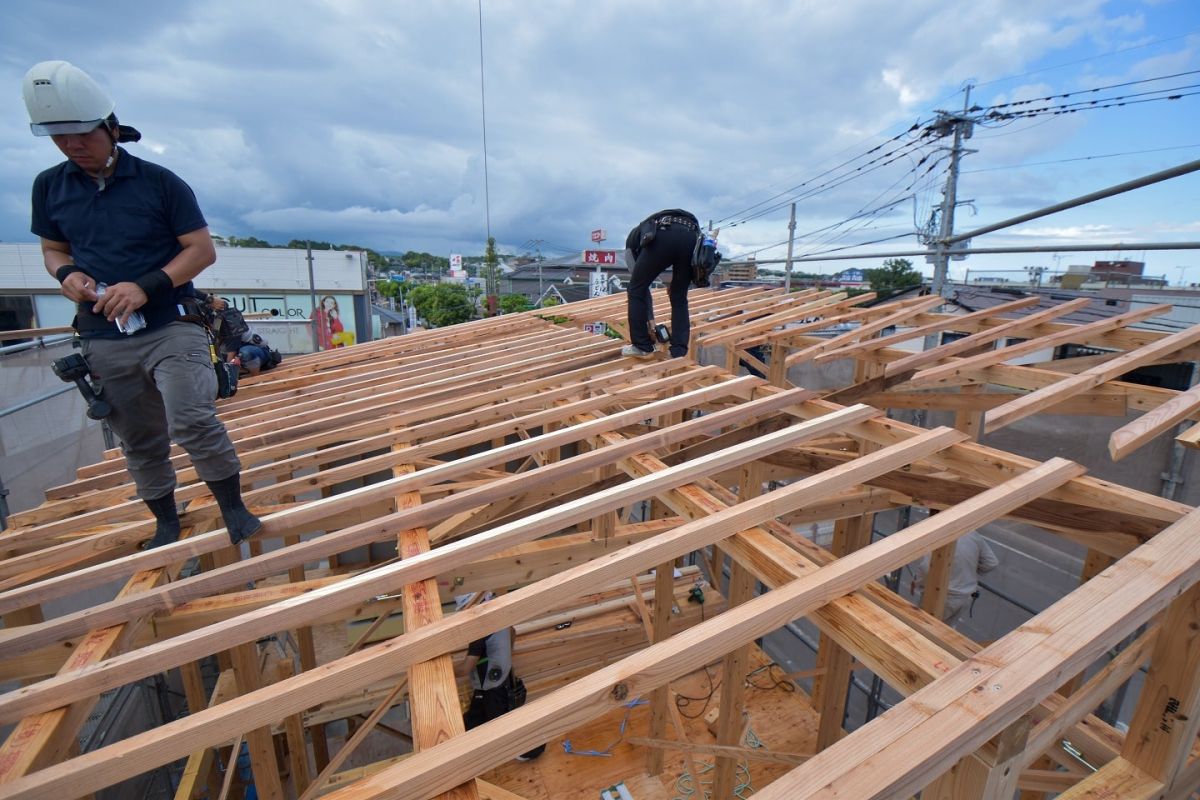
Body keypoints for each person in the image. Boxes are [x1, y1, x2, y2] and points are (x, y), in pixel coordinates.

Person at [24, 60, 260, 550]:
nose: (72, 145)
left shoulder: (158, 182)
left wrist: (145, 286)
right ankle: (166, 522)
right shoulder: (50, 186)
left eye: (82, 135)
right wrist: (66, 275)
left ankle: (234, 510)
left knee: (191, 417)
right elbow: (53, 251)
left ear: (111, 128)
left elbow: (200, 250)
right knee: (138, 436)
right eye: (59, 137)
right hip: (103, 333)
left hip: (169, 321)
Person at [454, 594, 545, 761]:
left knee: (499, 726)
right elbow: (512, 632)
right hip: (503, 680)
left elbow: (466, 668)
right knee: (476, 718)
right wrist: (504, 658)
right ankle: (463, 746)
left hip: (492, 689)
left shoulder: (478, 630)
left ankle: (525, 751)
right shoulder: (500, 617)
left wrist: (444, 672)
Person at [621, 209, 704, 359]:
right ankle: (679, 351)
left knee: (635, 290)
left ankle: (642, 347)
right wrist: (651, 324)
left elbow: (640, 290)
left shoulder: (630, 246)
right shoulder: (644, 230)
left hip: (665, 232)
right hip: (692, 236)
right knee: (679, 297)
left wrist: (647, 328)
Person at [908, 530, 1000, 626]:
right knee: (946, 631)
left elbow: (926, 569)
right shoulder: (972, 534)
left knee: (923, 627)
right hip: (966, 596)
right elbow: (991, 563)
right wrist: (969, 569)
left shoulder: (939, 537)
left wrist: (917, 583)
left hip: (942, 597)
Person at [197, 293, 282, 376]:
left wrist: (225, 375)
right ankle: (241, 370)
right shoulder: (211, 324)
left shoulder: (230, 322)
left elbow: (231, 351)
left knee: (245, 354)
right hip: (235, 353)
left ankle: (255, 379)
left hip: (258, 351)